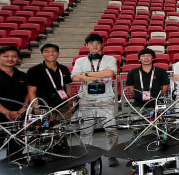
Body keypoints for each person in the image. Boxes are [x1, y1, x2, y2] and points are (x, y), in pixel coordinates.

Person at [71, 33, 119, 166]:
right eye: (92, 43)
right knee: (86, 130)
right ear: (87, 45)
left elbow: (110, 73)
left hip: (106, 99)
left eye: (97, 43)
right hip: (86, 100)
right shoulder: (80, 61)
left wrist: (85, 75)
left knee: (111, 128)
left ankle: (112, 154)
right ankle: (87, 155)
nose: (95, 45)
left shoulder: (110, 59)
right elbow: (75, 78)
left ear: (102, 44)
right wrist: (99, 74)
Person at [25, 43, 73, 120]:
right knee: (48, 130)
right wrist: (35, 106)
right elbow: (31, 91)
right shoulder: (34, 70)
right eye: (46, 51)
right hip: (45, 106)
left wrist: (70, 101)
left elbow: (67, 85)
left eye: (54, 51)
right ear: (41, 54)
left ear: (58, 53)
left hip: (63, 105)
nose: (51, 53)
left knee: (65, 128)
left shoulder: (63, 69)